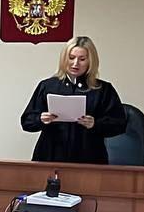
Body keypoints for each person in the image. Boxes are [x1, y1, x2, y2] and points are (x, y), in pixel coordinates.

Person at [20, 36, 126, 164]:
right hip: (50, 156)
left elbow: (119, 124)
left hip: (89, 158)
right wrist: (40, 119)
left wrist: (95, 124)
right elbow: (27, 121)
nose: (75, 64)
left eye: (82, 59)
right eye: (71, 58)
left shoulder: (103, 89)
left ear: (90, 61)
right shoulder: (47, 86)